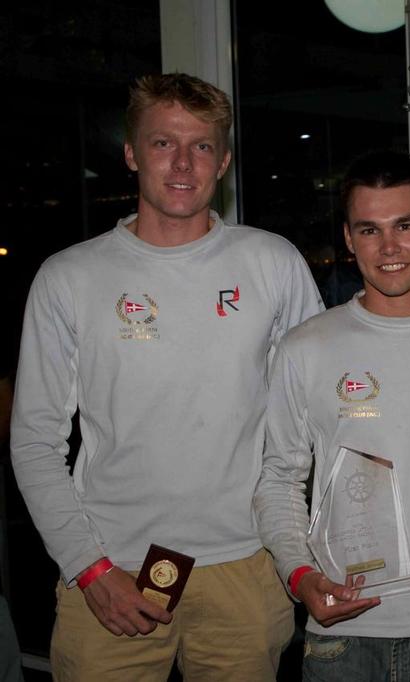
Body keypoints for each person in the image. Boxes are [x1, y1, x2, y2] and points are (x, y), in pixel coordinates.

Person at [10, 73, 323, 681]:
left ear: (224, 160)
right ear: (130, 153)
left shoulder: (272, 262)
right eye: (162, 143)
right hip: (110, 569)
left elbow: (316, 416)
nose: (183, 162)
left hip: (246, 568)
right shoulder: (68, 276)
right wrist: (88, 567)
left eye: (201, 146)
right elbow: (33, 440)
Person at [254, 150, 410, 681]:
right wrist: (300, 576)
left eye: (405, 225)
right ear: (349, 239)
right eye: (369, 230)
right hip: (341, 638)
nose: (389, 247)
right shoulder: (306, 346)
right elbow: (278, 479)